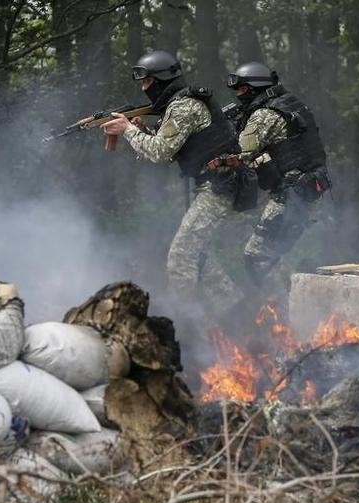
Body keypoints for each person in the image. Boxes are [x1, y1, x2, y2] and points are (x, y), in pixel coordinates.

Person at [102, 50, 255, 310]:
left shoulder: (183, 105)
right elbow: (170, 148)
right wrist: (140, 132)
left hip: (221, 185)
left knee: (181, 255)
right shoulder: (180, 104)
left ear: (161, 80)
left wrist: (127, 130)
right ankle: (236, 314)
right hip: (220, 183)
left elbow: (160, 152)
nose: (143, 87)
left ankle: (188, 327)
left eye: (147, 81)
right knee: (200, 255)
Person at [225, 61, 332, 286]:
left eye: (242, 90)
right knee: (283, 260)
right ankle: (288, 309)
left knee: (257, 258)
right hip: (309, 190)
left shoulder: (265, 114)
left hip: (292, 196)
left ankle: (283, 313)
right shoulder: (292, 104)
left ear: (255, 88)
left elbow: (240, 151)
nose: (238, 95)